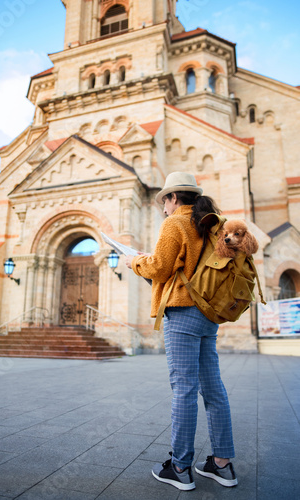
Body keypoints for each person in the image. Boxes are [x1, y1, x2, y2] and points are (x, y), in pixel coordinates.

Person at [125, 172, 238, 491]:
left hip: (183, 311)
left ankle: (180, 467)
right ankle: (222, 464)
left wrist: (134, 262)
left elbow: (160, 267)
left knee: (184, 388)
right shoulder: (211, 223)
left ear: (174, 198)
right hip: (208, 314)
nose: (163, 207)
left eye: (165, 201)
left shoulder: (176, 223)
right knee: (213, 388)